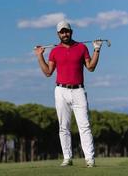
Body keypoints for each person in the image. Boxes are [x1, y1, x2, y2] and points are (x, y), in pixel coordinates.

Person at [34, 20, 102, 168]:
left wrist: (96, 50)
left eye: (67, 31)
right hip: (61, 90)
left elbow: (91, 67)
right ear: (58, 34)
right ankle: (67, 158)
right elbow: (48, 72)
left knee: (84, 126)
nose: (65, 34)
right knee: (63, 127)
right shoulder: (54, 51)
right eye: (62, 32)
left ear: (71, 32)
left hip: (78, 90)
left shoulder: (82, 47)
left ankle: (90, 159)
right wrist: (40, 56)